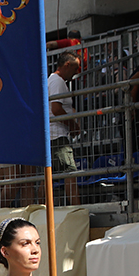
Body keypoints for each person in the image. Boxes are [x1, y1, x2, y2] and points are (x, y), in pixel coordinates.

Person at [48, 52, 82, 205]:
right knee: (70, 172)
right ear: (67, 65)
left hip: (54, 134)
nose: (76, 72)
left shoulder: (53, 80)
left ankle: (43, 208)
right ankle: (76, 208)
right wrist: (73, 125)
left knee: (49, 176)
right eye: (75, 68)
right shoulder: (58, 81)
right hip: (58, 135)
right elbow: (56, 108)